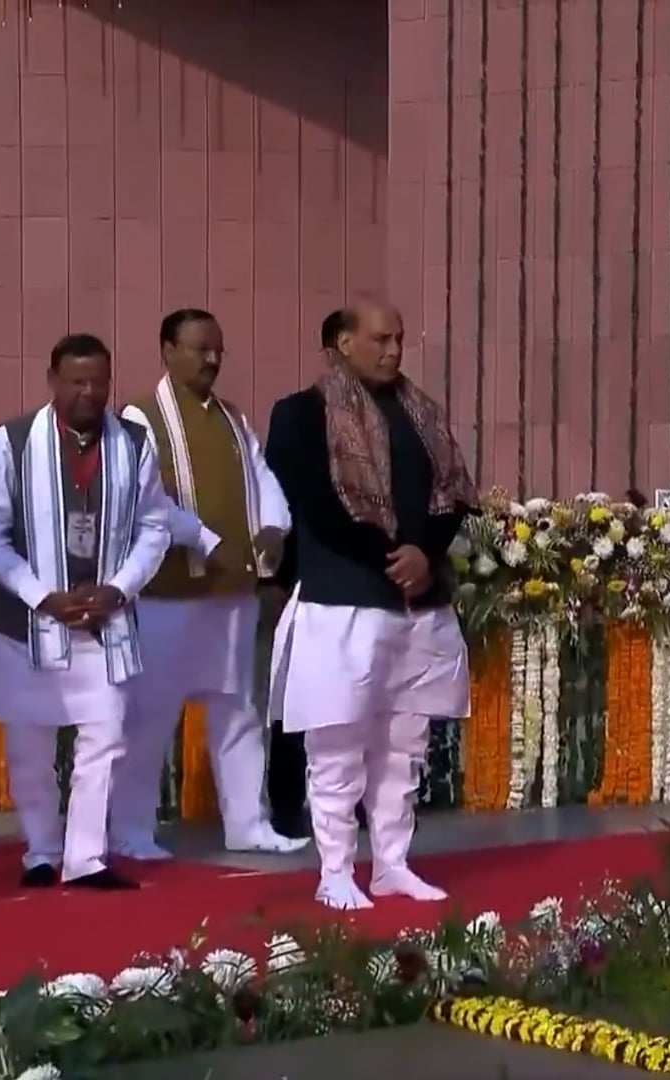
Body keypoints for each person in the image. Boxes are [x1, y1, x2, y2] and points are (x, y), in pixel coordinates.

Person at [264, 299, 476, 910]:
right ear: (343, 343)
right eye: (381, 339)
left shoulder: (420, 412)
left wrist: (424, 555)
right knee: (337, 745)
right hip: (343, 600)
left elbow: (452, 497)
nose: (394, 350)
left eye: (399, 339)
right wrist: (391, 556)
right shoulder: (301, 413)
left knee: (404, 744)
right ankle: (335, 870)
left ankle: (391, 864)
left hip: (417, 604)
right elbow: (313, 504)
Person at [0, 333, 171, 891]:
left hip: (104, 621)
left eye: (99, 382)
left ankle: (86, 858)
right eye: (77, 381)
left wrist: (118, 589)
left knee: (105, 736)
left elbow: (154, 527)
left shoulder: (133, 443)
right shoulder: (13, 441)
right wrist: (43, 596)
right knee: (29, 746)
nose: (89, 392)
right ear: (52, 381)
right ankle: (41, 849)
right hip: (28, 622)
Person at [110, 309, 305, 858]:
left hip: (232, 594)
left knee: (238, 710)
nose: (213, 359)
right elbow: (145, 500)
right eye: (201, 348)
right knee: (150, 716)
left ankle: (248, 823)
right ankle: (129, 830)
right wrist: (205, 540)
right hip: (169, 596)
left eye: (218, 349)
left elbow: (261, 478)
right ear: (168, 350)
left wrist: (273, 526)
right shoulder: (140, 417)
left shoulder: (231, 417)